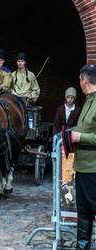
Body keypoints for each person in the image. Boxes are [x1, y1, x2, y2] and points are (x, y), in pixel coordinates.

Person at [71, 64, 96, 249]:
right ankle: (82, 246)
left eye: (80, 79)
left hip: (93, 168)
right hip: (81, 166)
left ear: (85, 80)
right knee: (83, 210)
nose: (79, 83)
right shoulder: (88, 101)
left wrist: (80, 137)